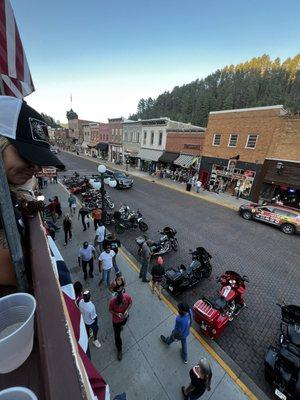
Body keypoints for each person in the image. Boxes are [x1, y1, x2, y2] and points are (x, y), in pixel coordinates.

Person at [109, 291, 132, 360]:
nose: (120, 305)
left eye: (121, 304)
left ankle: (121, 326)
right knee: (117, 336)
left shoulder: (127, 297)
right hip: (116, 321)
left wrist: (127, 310)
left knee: (123, 323)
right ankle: (119, 350)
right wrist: (116, 314)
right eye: (118, 304)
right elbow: (110, 310)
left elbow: (131, 303)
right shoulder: (112, 301)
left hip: (124, 319)